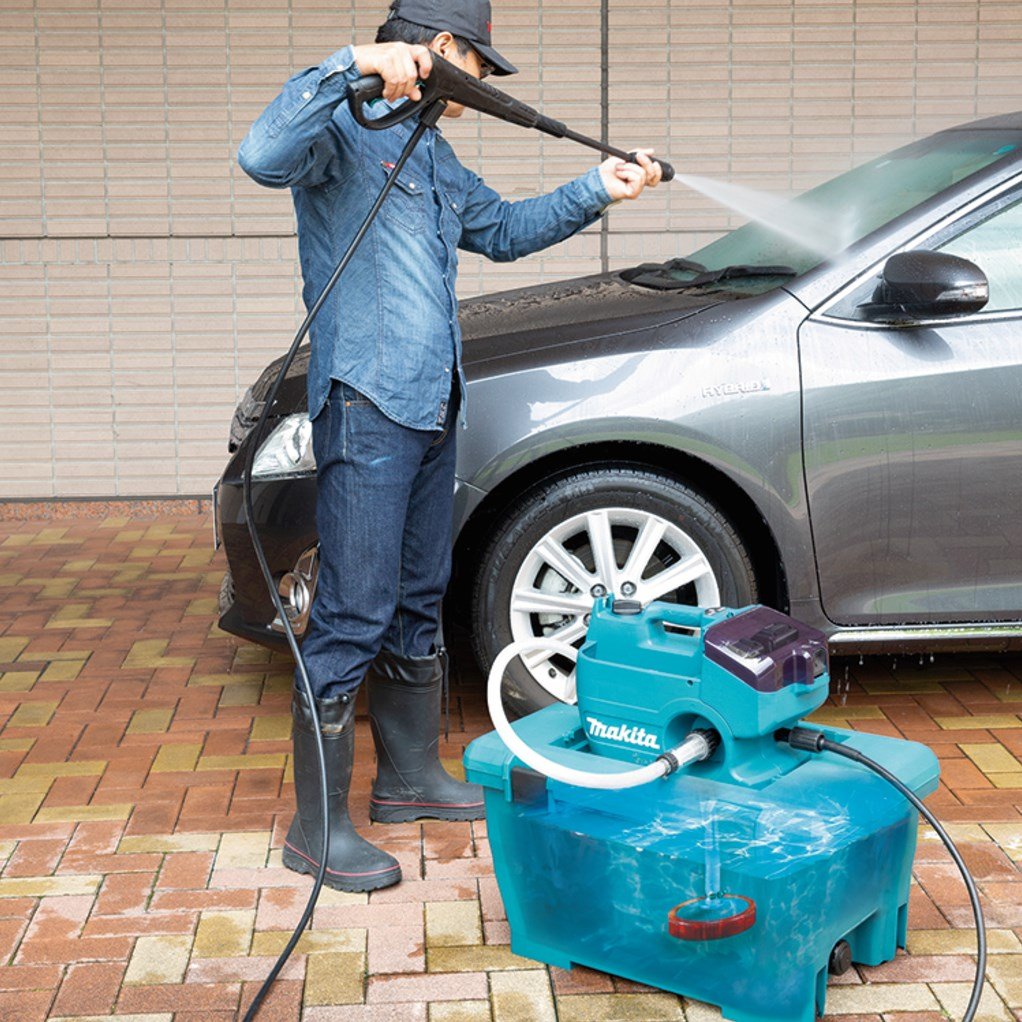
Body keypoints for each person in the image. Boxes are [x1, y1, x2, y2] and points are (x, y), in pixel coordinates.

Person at [238, 0, 662, 893]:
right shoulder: (341, 131)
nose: (484, 84)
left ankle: (408, 780)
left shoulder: (432, 152)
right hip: (368, 404)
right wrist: (353, 62)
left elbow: (501, 231)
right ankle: (316, 831)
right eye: (479, 64)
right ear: (440, 48)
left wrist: (599, 188)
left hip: (433, 405)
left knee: (418, 596)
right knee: (353, 609)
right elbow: (260, 155)